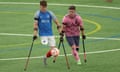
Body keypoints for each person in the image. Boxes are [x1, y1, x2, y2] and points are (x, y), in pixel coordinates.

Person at [33, 0, 61, 65]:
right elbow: (35, 24)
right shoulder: (37, 14)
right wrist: (35, 34)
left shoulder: (50, 13)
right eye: (42, 7)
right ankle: (45, 45)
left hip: (50, 33)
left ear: (46, 6)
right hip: (43, 35)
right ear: (40, 6)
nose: (43, 9)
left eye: (45, 7)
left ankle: (45, 57)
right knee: (45, 43)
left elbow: (57, 23)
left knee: (54, 51)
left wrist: (60, 33)